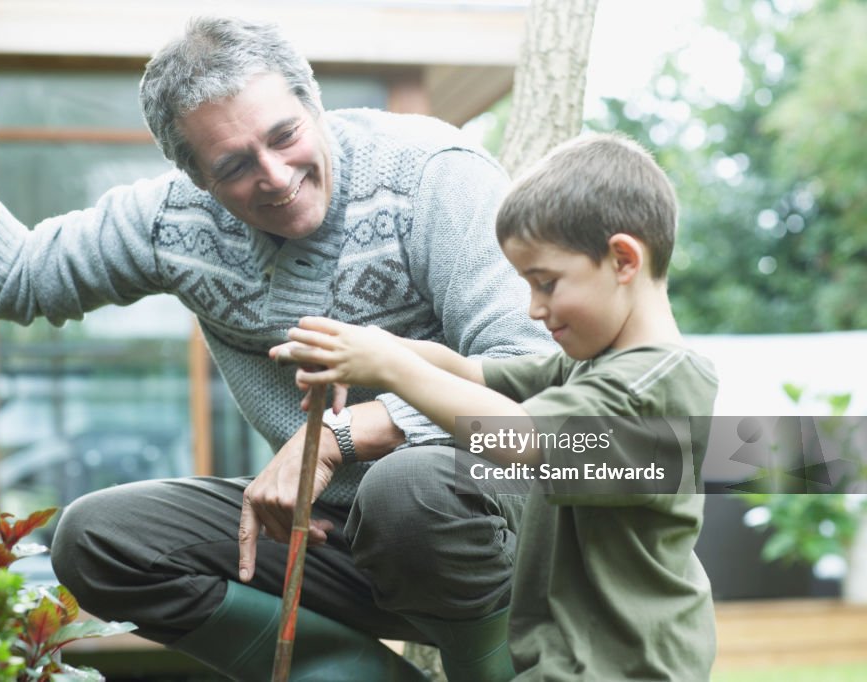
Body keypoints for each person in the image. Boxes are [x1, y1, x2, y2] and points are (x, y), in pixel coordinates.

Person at [0, 13, 554, 682]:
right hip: (346, 538)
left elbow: (530, 385)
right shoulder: (175, 224)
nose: (276, 175)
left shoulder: (432, 176)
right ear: (197, 178)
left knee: (411, 489)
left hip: (509, 524)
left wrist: (343, 436)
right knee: (97, 540)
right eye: (235, 165)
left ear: (313, 101)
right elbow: (12, 276)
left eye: (285, 135)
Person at [279, 132, 719, 680]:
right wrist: (367, 346)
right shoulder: (590, 366)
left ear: (623, 259)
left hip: (629, 667)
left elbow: (521, 440)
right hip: (568, 662)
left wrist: (391, 368)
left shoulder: (654, 384)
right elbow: (471, 372)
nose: (534, 310)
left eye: (547, 284)